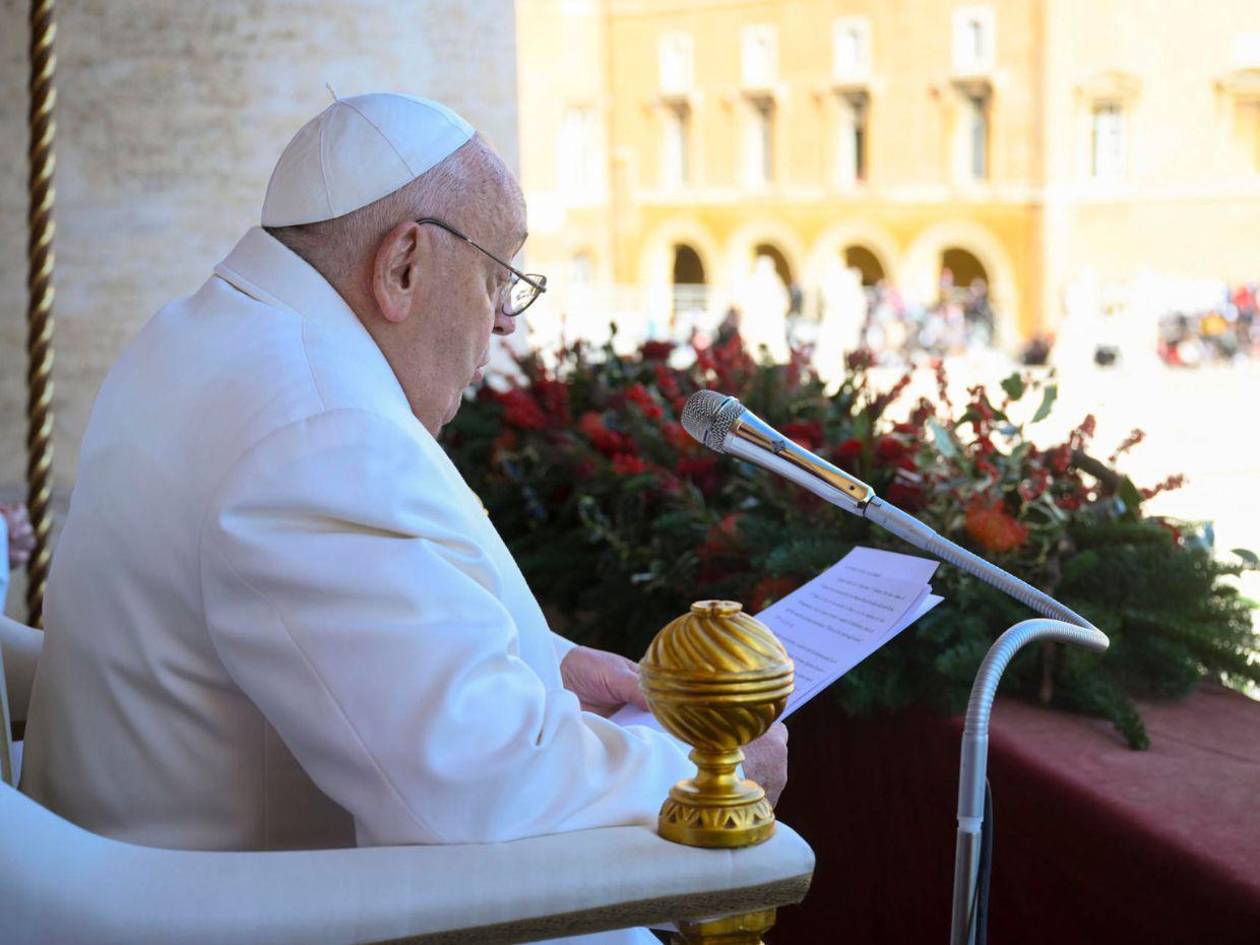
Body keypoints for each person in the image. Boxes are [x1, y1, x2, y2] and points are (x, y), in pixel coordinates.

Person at [19, 94, 786, 945]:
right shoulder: (316, 429)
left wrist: (551, 665)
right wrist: (707, 772)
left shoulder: (203, 336)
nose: (504, 319)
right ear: (405, 266)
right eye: (501, 278)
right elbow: (478, 792)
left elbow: (331, 640)